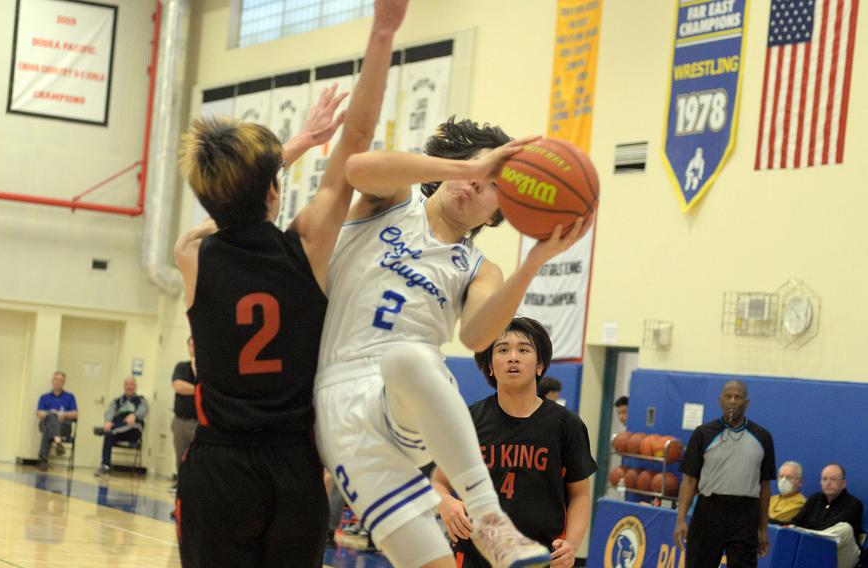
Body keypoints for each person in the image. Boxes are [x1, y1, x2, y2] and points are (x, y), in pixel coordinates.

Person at [172, 2, 407, 566]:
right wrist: (382, 32)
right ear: (274, 191)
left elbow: (216, 210)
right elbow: (357, 138)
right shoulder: (305, 247)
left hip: (219, 464)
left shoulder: (192, 254)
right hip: (293, 464)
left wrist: (288, 149)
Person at [313, 114, 593, 565]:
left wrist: (536, 260)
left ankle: (489, 519)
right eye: (476, 172)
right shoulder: (393, 202)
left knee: (407, 357)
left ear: (498, 215)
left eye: (491, 188)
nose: (477, 186)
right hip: (340, 408)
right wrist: (467, 167)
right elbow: (357, 169)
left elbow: (478, 333)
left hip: (403, 397)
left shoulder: (479, 268)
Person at [432, 317, 597, 568]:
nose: (513, 357)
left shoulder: (566, 425)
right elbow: (438, 483)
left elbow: (580, 496)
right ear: (489, 365)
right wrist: (445, 501)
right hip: (475, 555)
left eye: (523, 349)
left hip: (541, 556)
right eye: (502, 349)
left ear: (540, 365)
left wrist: (572, 544)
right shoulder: (468, 420)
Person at [673, 380, 775, 568]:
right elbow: (689, 480)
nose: (733, 401)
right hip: (709, 510)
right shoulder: (703, 434)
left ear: (747, 402)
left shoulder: (762, 437)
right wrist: (681, 519)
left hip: (745, 514)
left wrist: (763, 528)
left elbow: (766, 486)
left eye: (738, 397)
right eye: (729, 396)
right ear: (720, 400)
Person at [790, 463, 863, 568]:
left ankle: (813, 542)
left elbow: (831, 526)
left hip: (841, 556)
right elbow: (797, 522)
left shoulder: (853, 504)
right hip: (812, 552)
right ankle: (813, 543)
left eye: (833, 479)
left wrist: (806, 533)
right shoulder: (814, 499)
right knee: (791, 529)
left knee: (845, 528)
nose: (828, 483)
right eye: (824, 479)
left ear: (843, 483)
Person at [94, 377, 148, 476]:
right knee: (109, 434)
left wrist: (135, 415)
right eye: (127, 384)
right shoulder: (117, 400)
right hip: (118, 428)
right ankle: (105, 465)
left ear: (135, 386)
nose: (129, 386)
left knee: (127, 424)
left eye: (131, 384)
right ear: (124, 386)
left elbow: (142, 412)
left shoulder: (141, 400)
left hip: (133, 430)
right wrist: (108, 422)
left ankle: (107, 429)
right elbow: (110, 412)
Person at [169, 336, 198, 492]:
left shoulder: (207, 369)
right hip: (180, 421)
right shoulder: (181, 367)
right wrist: (199, 390)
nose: (194, 348)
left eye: (197, 344)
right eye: (191, 345)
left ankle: (196, 486)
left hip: (199, 423)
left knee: (198, 457)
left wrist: (192, 389)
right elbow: (178, 385)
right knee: (181, 456)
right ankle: (181, 486)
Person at [36, 371, 78, 471]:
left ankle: (43, 460)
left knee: (48, 428)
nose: (58, 382)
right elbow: (39, 413)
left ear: (64, 382)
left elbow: (75, 414)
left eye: (61, 380)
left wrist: (63, 414)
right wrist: (52, 414)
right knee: (51, 416)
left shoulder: (70, 397)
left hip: (64, 426)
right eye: (56, 379)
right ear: (52, 381)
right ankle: (58, 442)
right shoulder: (44, 397)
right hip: (46, 423)